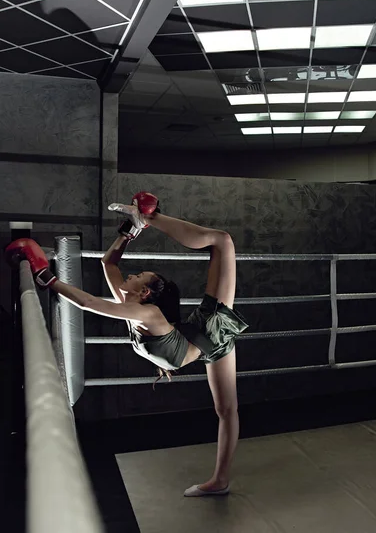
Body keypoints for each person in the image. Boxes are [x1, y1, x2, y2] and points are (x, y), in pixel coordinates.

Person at [5, 192, 249, 498]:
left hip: (214, 329)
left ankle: (153, 215)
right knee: (226, 410)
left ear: (145, 291)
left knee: (223, 241)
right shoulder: (130, 303)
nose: (131, 274)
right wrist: (127, 233)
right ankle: (146, 217)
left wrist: (47, 278)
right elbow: (109, 264)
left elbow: (91, 303)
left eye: (139, 275)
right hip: (198, 338)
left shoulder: (144, 312)